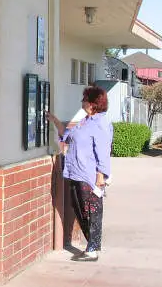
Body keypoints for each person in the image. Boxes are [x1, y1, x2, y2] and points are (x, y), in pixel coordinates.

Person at [47, 85, 113, 262]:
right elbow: (66, 134)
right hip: (75, 172)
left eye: (84, 99)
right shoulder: (81, 119)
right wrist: (54, 120)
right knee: (79, 209)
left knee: (92, 211)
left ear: (93, 104)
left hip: (89, 176)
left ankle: (92, 249)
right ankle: (91, 246)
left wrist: (101, 176)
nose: (81, 102)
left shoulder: (101, 123)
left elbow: (103, 151)